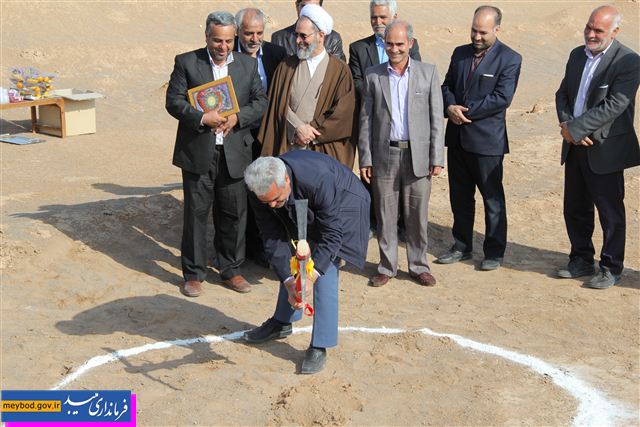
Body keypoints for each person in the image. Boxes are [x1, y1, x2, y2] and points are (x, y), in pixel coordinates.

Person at [166, 11, 268, 297]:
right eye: (217, 40)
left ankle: (231, 270)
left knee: (234, 213)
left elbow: (260, 101)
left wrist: (237, 117)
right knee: (196, 214)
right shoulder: (187, 62)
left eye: (228, 41)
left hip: (235, 152)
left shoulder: (248, 65)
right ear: (207, 37)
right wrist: (201, 117)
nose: (223, 47)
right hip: (199, 152)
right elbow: (173, 101)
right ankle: (194, 274)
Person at [242, 151, 370, 374]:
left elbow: (331, 236)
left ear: (286, 180)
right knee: (294, 257)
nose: (272, 205)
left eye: (276, 199)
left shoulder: (317, 179)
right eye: (267, 201)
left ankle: (320, 343)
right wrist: (289, 281)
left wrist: (310, 276)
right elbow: (271, 236)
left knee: (326, 268)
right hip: (305, 201)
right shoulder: (260, 189)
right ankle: (282, 322)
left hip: (344, 206)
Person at [555, 5, 640, 289]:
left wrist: (576, 129)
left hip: (605, 148)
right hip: (574, 144)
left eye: (598, 30)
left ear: (615, 32)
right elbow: (563, 93)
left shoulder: (628, 61)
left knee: (610, 212)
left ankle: (611, 268)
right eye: (588, 27)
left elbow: (616, 104)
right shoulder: (576, 55)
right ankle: (580, 259)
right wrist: (568, 125)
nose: (591, 34)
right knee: (575, 208)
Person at [358, 21, 444, 287]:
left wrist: (437, 157)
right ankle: (386, 266)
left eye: (399, 44)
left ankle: (419, 266)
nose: (394, 49)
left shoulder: (428, 73)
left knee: (417, 214)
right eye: (389, 44)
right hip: (385, 155)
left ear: (410, 44)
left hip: (418, 156)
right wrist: (366, 158)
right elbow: (366, 120)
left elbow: (436, 119)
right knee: (385, 213)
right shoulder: (373, 75)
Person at [437, 5, 522, 271]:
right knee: (460, 197)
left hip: (487, 143)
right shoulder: (460, 53)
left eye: (483, 32)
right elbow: (446, 86)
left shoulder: (510, 58)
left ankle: (494, 252)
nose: (476, 36)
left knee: (492, 199)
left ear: (497, 29)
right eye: (474, 30)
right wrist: (450, 106)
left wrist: (464, 112)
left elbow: (502, 98)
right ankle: (461, 245)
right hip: (458, 139)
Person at [348, 0, 422, 236]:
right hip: (373, 118)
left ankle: (403, 224)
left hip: (402, 122)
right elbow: (356, 81)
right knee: (372, 172)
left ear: (394, 17)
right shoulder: (358, 48)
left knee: (405, 174)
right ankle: (374, 221)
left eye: (382, 17)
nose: (377, 22)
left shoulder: (410, 44)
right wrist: (381, 93)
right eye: (374, 17)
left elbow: (416, 77)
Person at [258, 4, 356, 168]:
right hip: (289, 146)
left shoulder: (340, 70)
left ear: (321, 35)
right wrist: (297, 127)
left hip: (321, 150)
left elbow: (342, 113)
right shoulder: (286, 66)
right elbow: (276, 103)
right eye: (296, 35)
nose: (298, 41)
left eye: (303, 36)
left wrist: (310, 131)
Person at [235, 7, 288, 267]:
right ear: (238, 32)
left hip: (268, 135)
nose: (254, 39)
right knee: (242, 192)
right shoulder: (229, 55)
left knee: (267, 189)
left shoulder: (277, 54)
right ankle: (243, 248)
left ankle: (266, 248)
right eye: (248, 33)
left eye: (259, 33)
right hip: (239, 134)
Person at [271, 0, 346, 61]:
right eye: (304, 6)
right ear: (297, 6)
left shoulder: (333, 39)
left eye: (314, 7)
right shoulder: (279, 38)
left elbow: (337, 70)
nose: (309, 11)